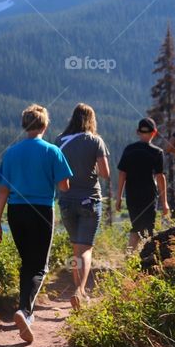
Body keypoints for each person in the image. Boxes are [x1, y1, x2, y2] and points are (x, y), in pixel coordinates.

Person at [0, 104, 73, 343]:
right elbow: (64, 186)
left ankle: (25, 310)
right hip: (41, 211)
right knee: (40, 267)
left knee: (27, 262)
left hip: (15, 212)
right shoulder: (52, 151)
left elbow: (3, 191)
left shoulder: (11, 153)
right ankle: (25, 312)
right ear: (45, 125)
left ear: (24, 125)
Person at [56, 103, 110, 309]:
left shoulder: (60, 140)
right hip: (90, 199)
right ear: (91, 120)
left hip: (66, 201)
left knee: (75, 247)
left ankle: (78, 289)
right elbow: (105, 173)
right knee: (85, 249)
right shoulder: (95, 141)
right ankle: (80, 291)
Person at [115, 117, 169, 250]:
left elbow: (122, 174)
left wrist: (119, 198)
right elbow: (160, 177)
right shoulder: (157, 152)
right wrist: (164, 202)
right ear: (154, 132)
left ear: (137, 132)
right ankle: (148, 260)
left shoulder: (129, 150)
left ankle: (130, 258)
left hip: (132, 195)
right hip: (149, 196)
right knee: (149, 229)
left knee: (136, 227)